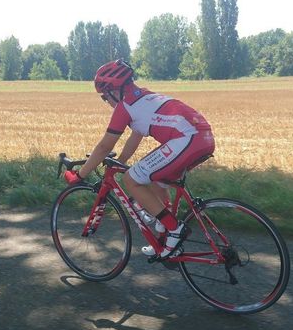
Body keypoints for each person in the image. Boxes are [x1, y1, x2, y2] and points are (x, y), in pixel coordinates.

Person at [64, 59, 215, 258]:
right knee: (155, 179)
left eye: (104, 97)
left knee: (131, 179)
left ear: (113, 90)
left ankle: (174, 229)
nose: (106, 101)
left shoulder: (125, 106)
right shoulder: (144, 96)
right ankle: (164, 236)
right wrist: (121, 161)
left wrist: (80, 176)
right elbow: (135, 137)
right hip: (203, 137)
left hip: (188, 138)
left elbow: (103, 146)